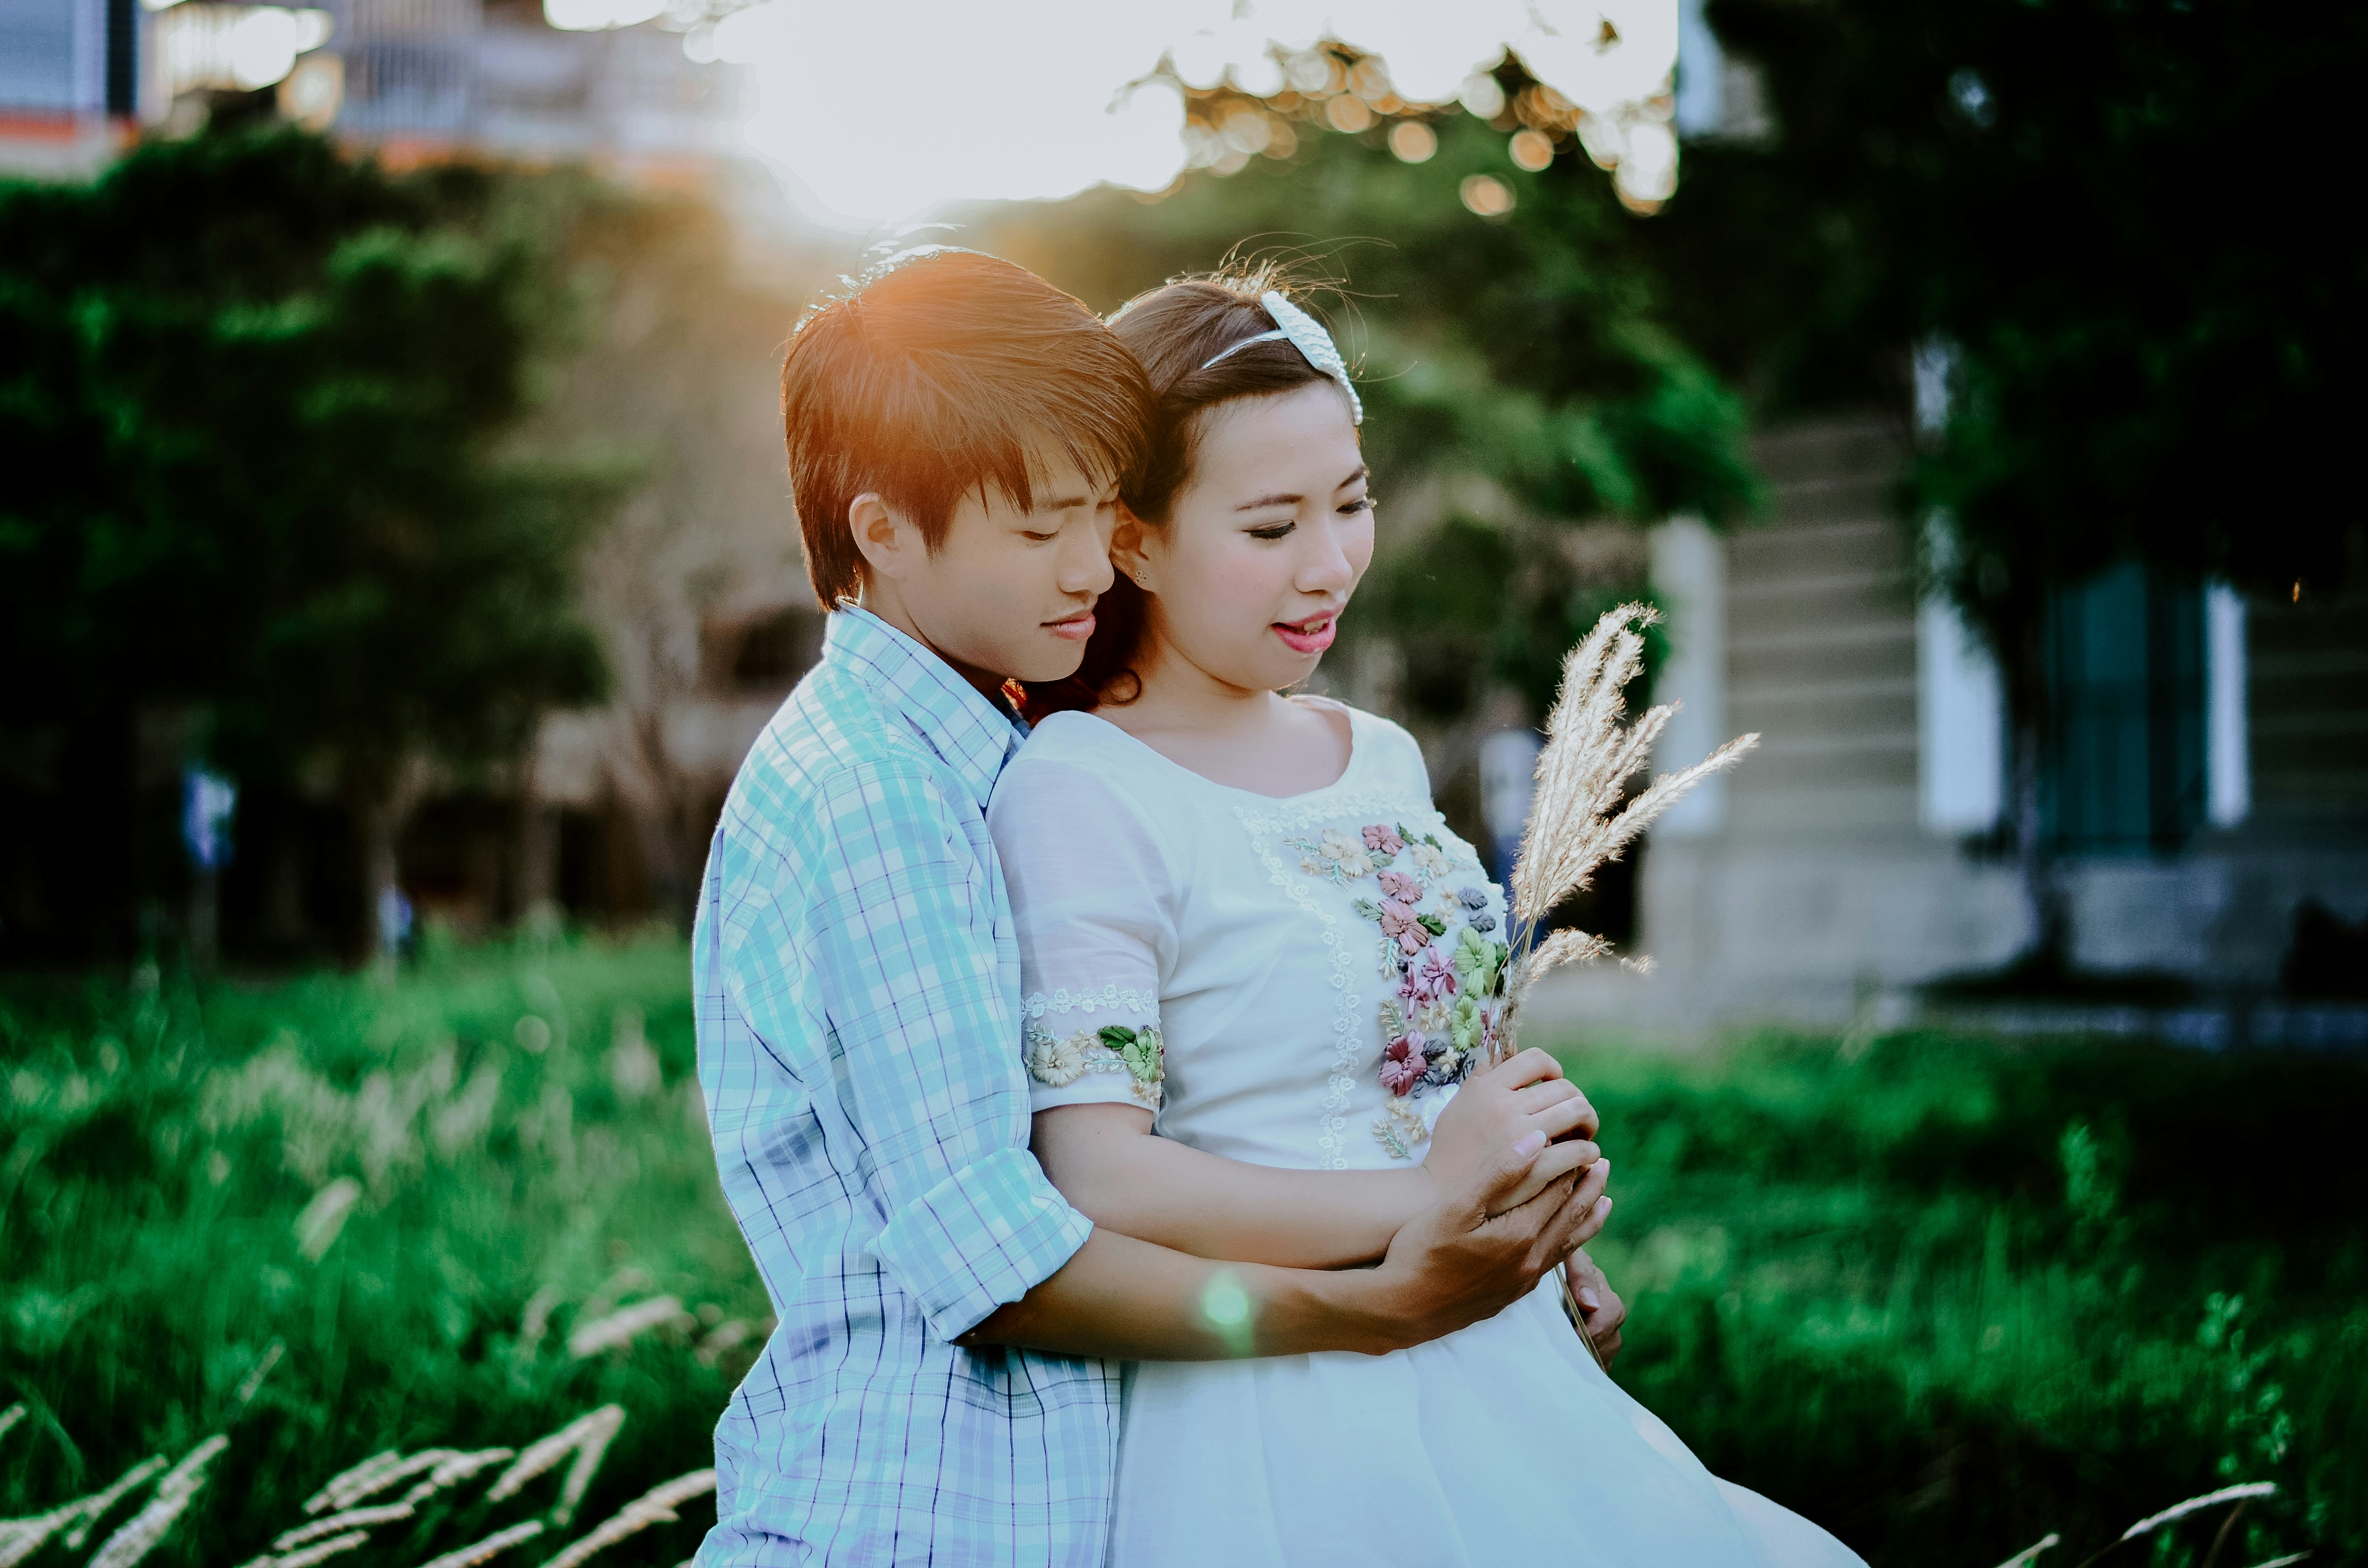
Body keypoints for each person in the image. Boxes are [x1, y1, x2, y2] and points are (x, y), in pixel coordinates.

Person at [691, 249, 1616, 1568]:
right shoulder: (879, 801)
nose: (1092, 562)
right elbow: (1004, 1260)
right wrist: (1399, 1278)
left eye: (1098, 509)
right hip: (918, 1516)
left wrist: (1508, 1225)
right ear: (882, 527)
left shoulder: (980, 750)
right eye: (1038, 526)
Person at [991, 271, 1869, 1567]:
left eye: (1350, 504)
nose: (1330, 562)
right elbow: (1097, 1171)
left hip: (1491, 1347)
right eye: (1270, 524)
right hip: (1275, 1403)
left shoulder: (1379, 755)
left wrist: (1538, 1234)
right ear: (1128, 534)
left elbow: (1435, 1064)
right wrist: (1428, 1207)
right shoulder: (1083, 787)